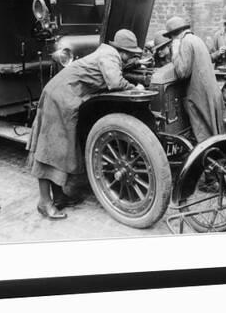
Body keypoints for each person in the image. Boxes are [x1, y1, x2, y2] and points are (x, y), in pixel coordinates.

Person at [27, 29, 142, 220]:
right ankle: (44, 202)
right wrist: (135, 87)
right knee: (49, 150)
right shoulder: (110, 56)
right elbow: (115, 82)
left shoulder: (107, 52)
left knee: (61, 150)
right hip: (59, 97)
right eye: (130, 55)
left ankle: (59, 196)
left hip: (64, 96)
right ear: (122, 51)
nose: (131, 58)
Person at [164, 16, 225, 143]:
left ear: (174, 35)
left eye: (171, 38)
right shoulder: (196, 39)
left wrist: (175, 52)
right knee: (214, 131)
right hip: (209, 92)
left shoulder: (185, 42)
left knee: (204, 136)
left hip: (198, 96)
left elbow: (182, 72)